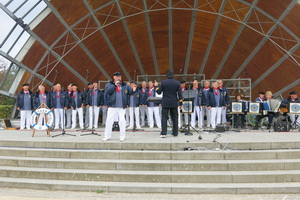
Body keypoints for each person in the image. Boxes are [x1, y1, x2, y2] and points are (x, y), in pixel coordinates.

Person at [103, 72, 136, 141]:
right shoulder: (109, 84)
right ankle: (107, 136)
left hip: (121, 106)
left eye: (120, 76)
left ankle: (122, 136)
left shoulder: (124, 85)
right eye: (117, 76)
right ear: (114, 77)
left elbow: (130, 92)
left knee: (122, 121)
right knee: (109, 121)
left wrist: (133, 90)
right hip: (112, 105)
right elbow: (107, 92)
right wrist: (114, 86)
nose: (119, 77)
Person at [155, 70, 182, 138]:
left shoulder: (163, 82)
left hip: (165, 102)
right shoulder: (177, 83)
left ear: (166, 75)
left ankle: (164, 133)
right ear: (173, 75)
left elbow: (159, 92)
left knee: (164, 117)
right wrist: (180, 103)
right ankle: (175, 133)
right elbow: (180, 94)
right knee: (175, 118)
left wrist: (156, 86)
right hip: (174, 102)